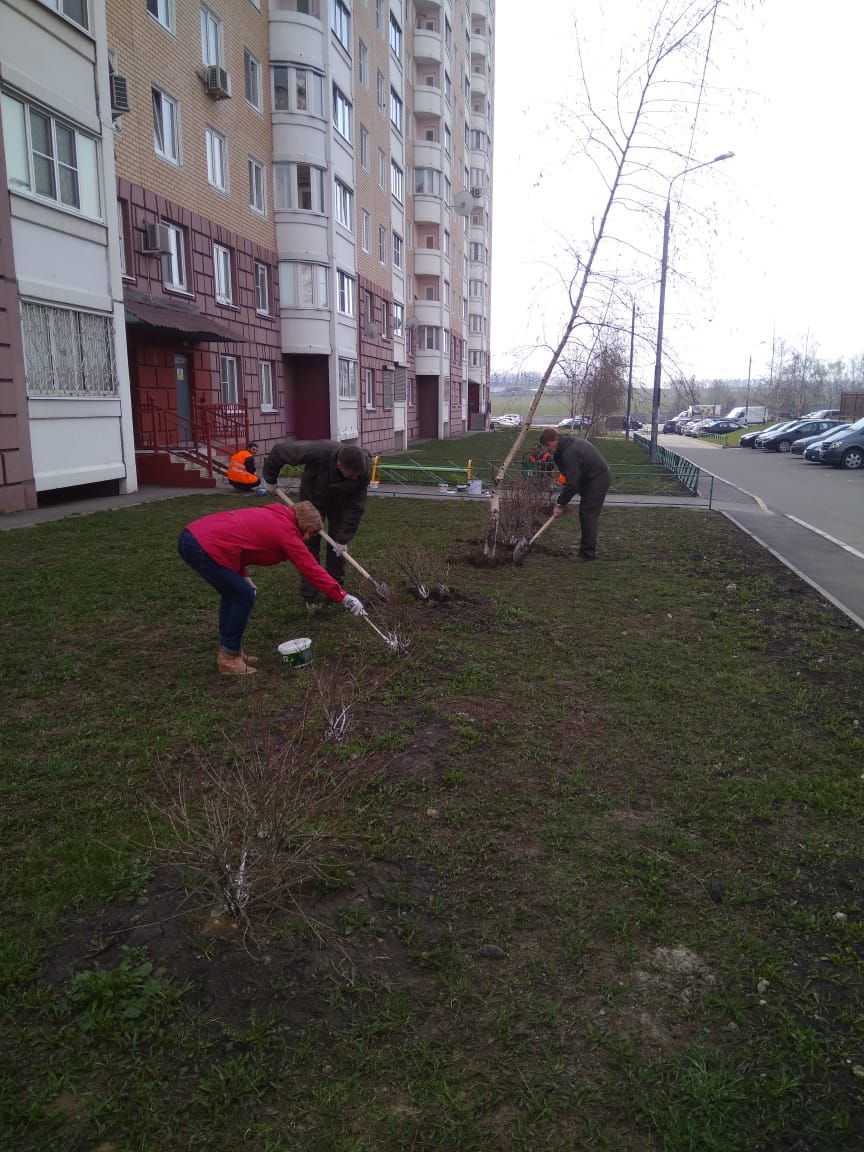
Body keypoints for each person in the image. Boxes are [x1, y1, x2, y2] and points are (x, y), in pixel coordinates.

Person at [177, 500, 366, 675]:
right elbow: (312, 570)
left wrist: (243, 576)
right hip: (203, 545)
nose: (309, 538)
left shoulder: (279, 516)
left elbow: (240, 543)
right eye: (312, 533)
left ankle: (232, 651)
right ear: (305, 526)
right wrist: (343, 596)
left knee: (234, 594)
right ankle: (228, 658)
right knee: (242, 596)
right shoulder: (287, 533)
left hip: (198, 536)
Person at [261, 441, 371, 612]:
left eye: (358, 475)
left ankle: (335, 589)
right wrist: (270, 478)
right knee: (309, 545)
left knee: (337, 547)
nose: (356, 478)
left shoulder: (363, 469)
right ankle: (310, 595)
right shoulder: (319, 452)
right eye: (352, 475)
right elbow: (280, 451)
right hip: (312, 498)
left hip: (341, 502)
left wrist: (344, 538)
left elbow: (356, 507)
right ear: (339, 464)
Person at [537, 426, 612, 561]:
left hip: (598, 478)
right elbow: (569, 475)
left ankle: (587, 554)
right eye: (545, 446)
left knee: (587, 512)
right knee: (586, 511)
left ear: (556, 439)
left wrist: (560, 504)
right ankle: (586, 550)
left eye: (548, 445)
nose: (547, 449)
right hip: (589, 478)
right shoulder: (564, 446)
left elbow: (573, 482)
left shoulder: (569, 452)